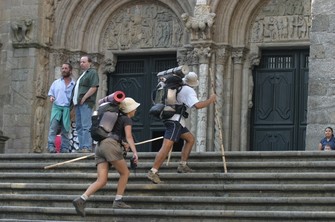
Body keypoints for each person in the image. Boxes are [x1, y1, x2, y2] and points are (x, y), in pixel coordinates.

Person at [72, 97, 140, 217]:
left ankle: (81, 199)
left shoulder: (113, 117)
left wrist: (122, 144)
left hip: (100, 146)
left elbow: (113, 134)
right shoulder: (126, 119)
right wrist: (135, 152)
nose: (135, 111)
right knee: (125, 173)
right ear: (130, 110)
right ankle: (118, 200)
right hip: (110, 146)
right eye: (134, 108)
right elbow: (129, 137)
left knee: (101, 180)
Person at [147, 75, 216, 184]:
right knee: (166, 147)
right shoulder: (188, 90)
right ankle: (153, 171)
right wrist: (210, 100)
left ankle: (182, 165)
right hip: (175, 122)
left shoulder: (174, 86)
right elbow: (197, 105)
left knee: (190, 139)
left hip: (170, 119)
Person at [72, 55, 99, 153]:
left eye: (84, 62)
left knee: (86, 126)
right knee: (79, 126)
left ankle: (87, 147)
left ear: (90, 63)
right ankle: (81, 146)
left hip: (86, 103)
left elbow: (94, 87)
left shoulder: (92, 72)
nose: (81, 64)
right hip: (78, 104)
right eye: (80, 62)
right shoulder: (82, 74)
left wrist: (84, 97)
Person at [47, 63, 75, 153]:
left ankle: (65, 148)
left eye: (66, 68)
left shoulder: (73, 84)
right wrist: (51, 97)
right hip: (57, 107)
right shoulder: (56, 82)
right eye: (62, 68)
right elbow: (51, 93)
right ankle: (51, 146)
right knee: (53, 128)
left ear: (70, 70)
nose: (63, 70)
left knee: (65, 129)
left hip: (67, 108)